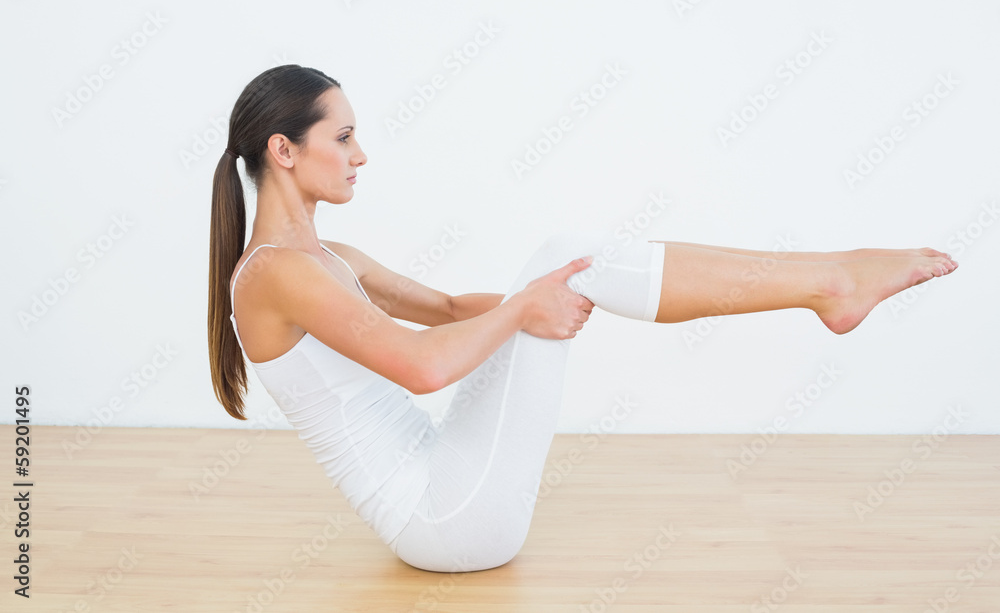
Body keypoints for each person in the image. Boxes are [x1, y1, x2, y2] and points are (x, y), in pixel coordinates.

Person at [207, 64, 958, 573]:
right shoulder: (274, 273)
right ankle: (831, 281)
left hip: (448, 482)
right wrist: (535, 301)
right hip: (443, 521)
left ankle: (828, 278)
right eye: (343, 137)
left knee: (569, 264)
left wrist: (563, 294)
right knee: (566, 260)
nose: (361, 154)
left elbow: (449, 310)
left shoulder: (325, 257)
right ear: (284, 150)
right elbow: (424, 365)